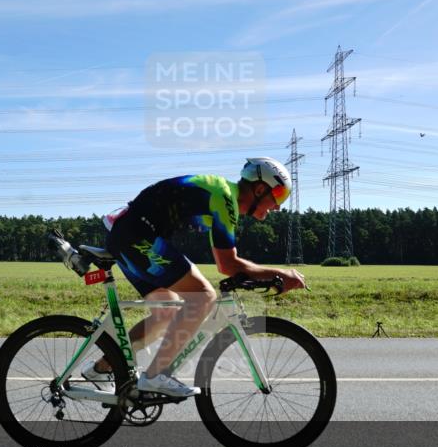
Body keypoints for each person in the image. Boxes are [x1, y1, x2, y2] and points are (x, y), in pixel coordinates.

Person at [82, 157, 306, 398]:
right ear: (260, 189)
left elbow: (228, 261)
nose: (279, 206)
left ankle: (102, 368)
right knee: (203, 297)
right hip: (136, 237)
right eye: (280, 195)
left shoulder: (223, 195)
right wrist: (281, 274)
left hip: (128, 235)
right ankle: (156, 375)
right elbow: (227, 264)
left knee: (166, 311)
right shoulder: (225, 198)